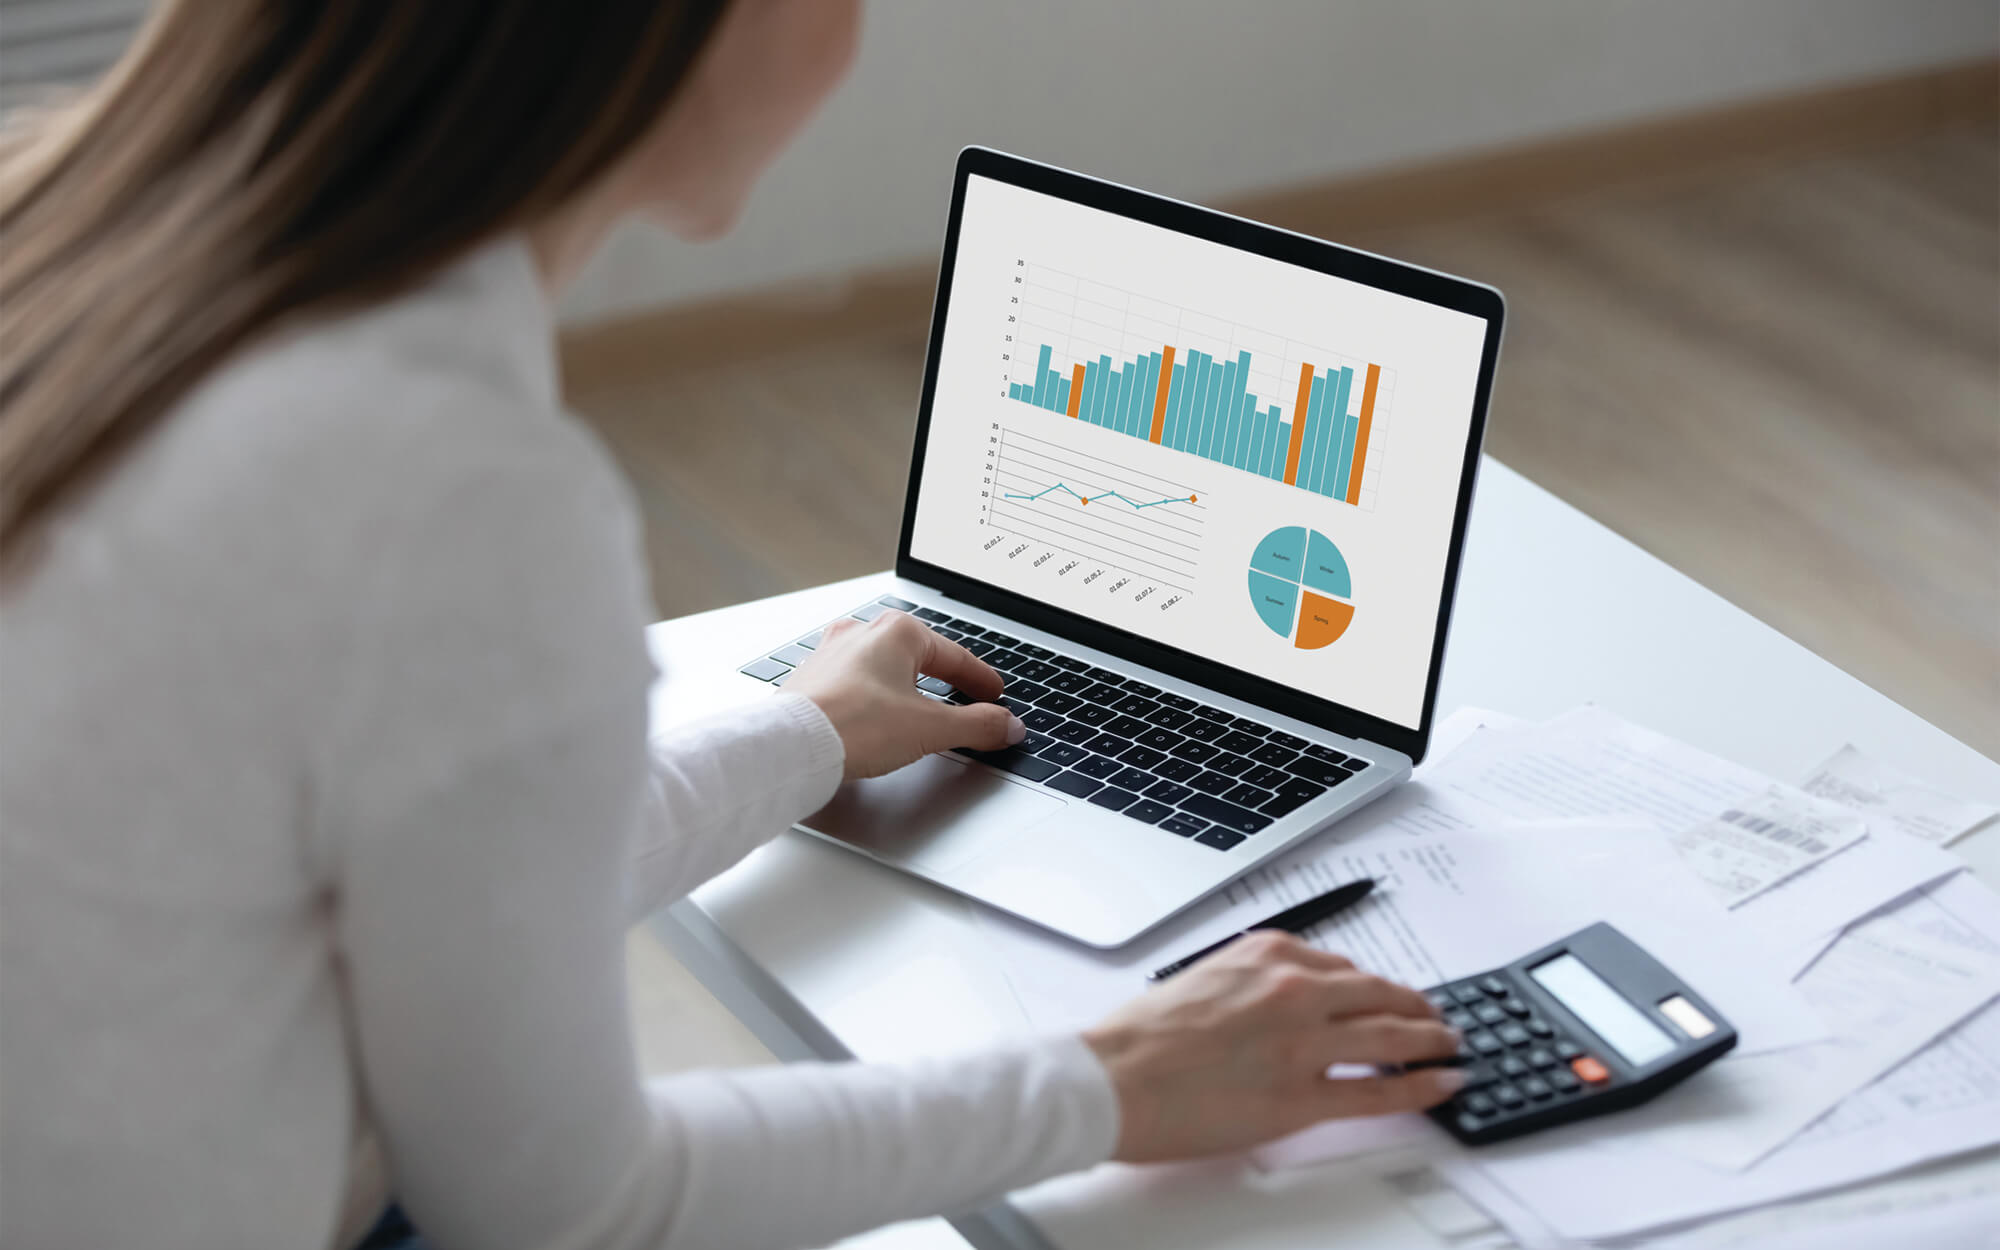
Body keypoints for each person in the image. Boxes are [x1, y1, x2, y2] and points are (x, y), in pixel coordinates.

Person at [0, 3, 1464, 1247]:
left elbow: (428, 879)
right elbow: (566, 1206)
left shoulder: (70, 254)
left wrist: (804, 736)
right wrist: (1111, 1082)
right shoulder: (446, 491)